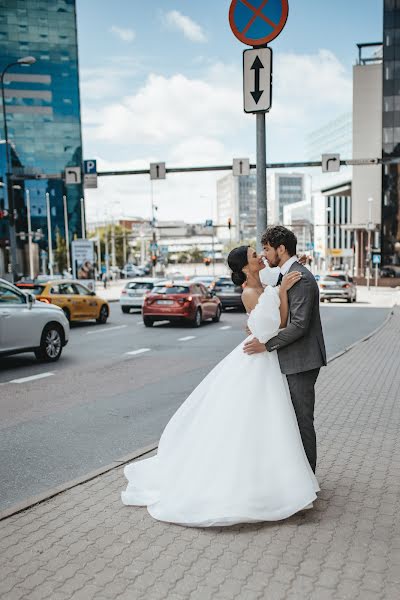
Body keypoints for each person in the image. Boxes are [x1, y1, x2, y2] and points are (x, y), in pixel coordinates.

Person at [121, 245, 319, 527]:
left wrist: (280, 291)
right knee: (254, 423)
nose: (260, 257)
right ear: (244, 268)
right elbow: (276, 325)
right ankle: (253, 485)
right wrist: (283, 293)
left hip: (266, 357)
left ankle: (273, 481)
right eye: (254, 255)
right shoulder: (250, 293)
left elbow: (277, 322)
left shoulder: (264, 285)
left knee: (269, 424)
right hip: (258, 357)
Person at [244, 226, 327, 473]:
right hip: (291, 359)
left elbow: (299, 326)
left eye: (267, 249)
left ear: (281, 248)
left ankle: (308, 480)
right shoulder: (285, 274)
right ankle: (297, 477)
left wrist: (266, 344)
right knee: (291, 422)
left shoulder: (300, 277)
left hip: (301, 361)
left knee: (302, 422)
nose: (264, 254)